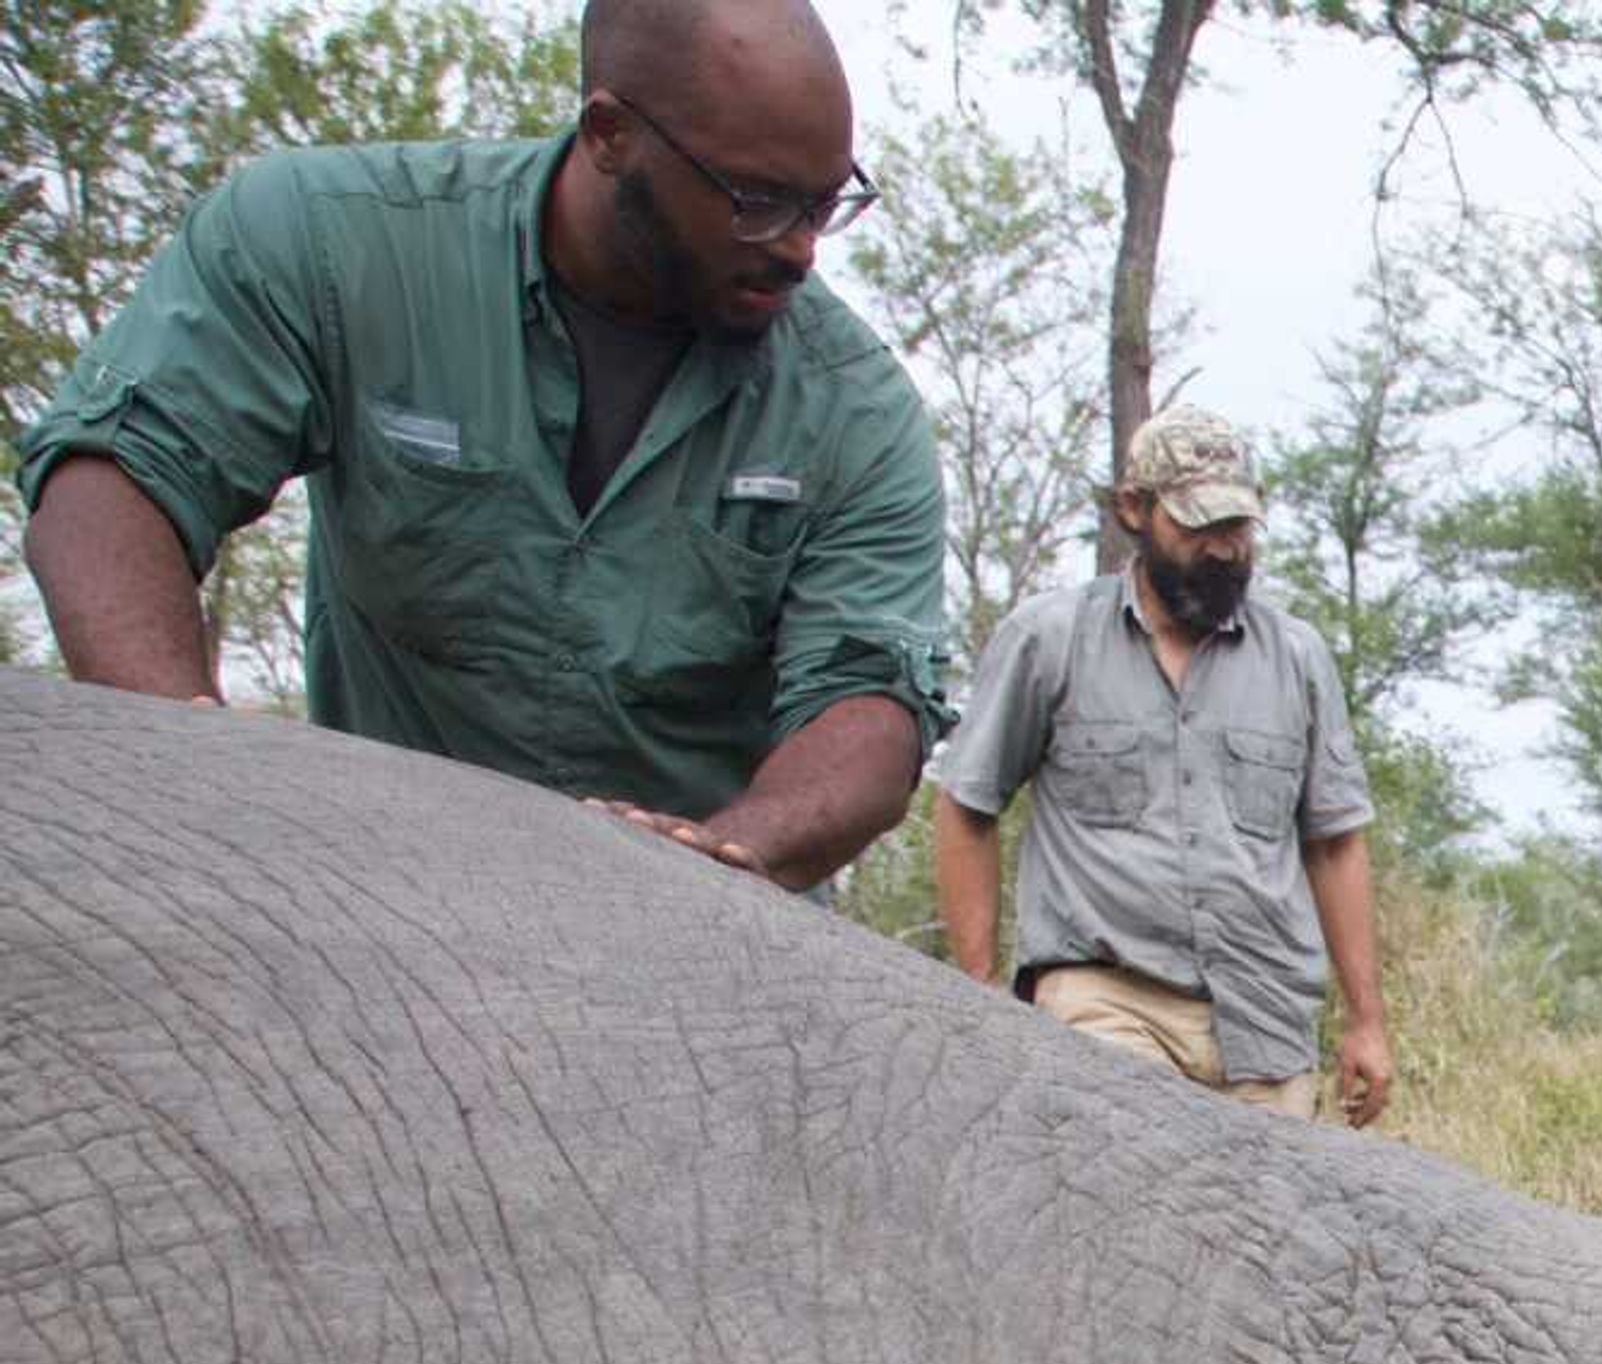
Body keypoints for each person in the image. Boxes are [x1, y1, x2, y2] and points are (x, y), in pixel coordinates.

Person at [15, 0, 948, 893]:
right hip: (377, 888)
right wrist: (198, 764)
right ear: (611, 134)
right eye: (756, 200)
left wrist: (722, 854)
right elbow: (119, 472)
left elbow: (866, 702)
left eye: (826, 203)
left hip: (699, 922)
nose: (799, 249)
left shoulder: (855, 411)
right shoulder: (333, 246)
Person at [929, 407, 1392, 1126]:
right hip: (1105, 998)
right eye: (1198, 526)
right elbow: (967, 805)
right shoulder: (1050, 639)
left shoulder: (1297, 658)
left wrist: (1367, 1020)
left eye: (1237, 528)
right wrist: (980, 988)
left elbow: (1334, 842)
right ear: (1135, 511)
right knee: (1127, 1213)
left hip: (1264, 1020)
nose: (1224, 550)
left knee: (1260, 1236)